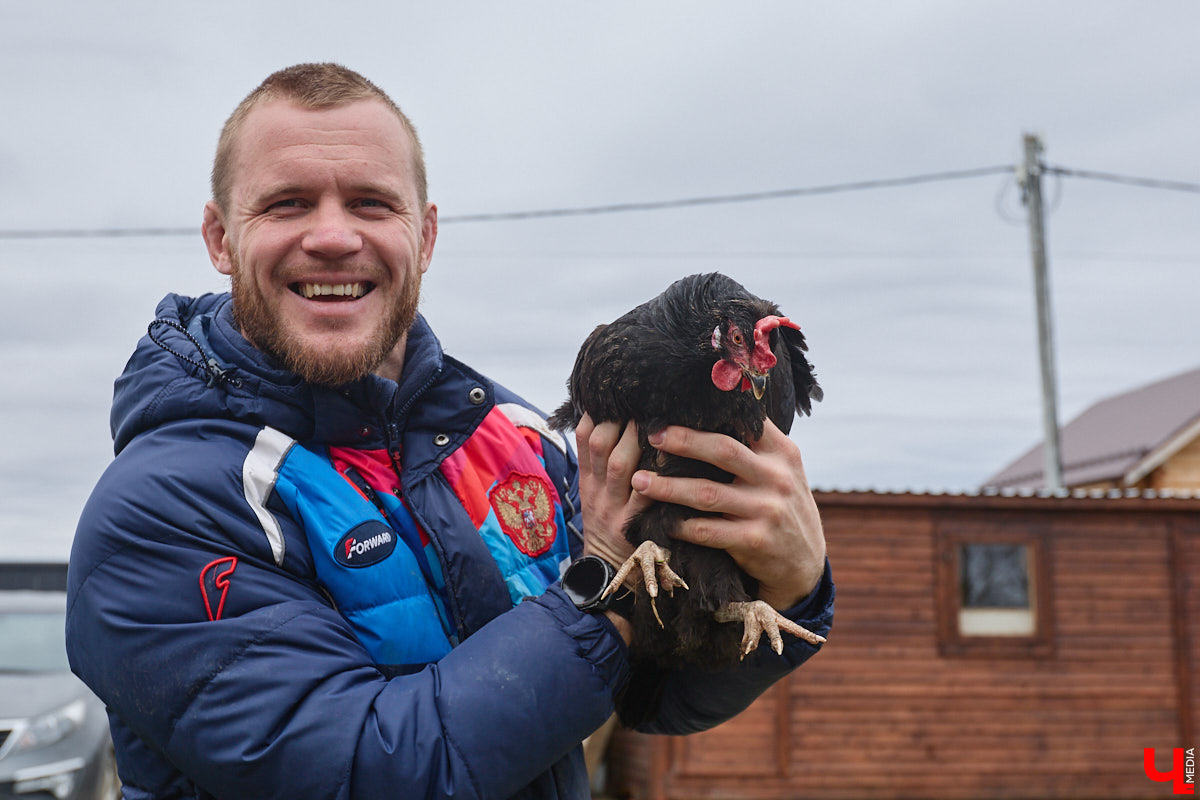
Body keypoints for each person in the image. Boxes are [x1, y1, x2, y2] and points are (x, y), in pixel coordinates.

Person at [65, 63, 833, 800]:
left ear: (426, 236)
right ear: (219, 237)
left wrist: (790, 586)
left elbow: (652, 690)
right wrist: (602, 575)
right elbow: (367, 774)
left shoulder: (519, 436)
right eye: (287, 204)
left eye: (371, 203)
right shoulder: (160, 510)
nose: (332, 236)